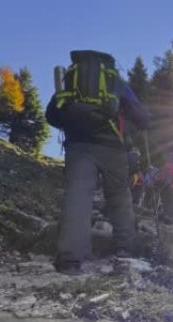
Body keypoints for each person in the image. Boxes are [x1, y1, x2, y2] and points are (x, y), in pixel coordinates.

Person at [46, 50, 150, 275]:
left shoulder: (70, 81)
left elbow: (52, 116)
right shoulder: (116, 81)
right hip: (113, 146)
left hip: (78, 146)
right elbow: (142, 118)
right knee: (119, 195)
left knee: (78, 196)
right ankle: (125, 249)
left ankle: (70, 260)